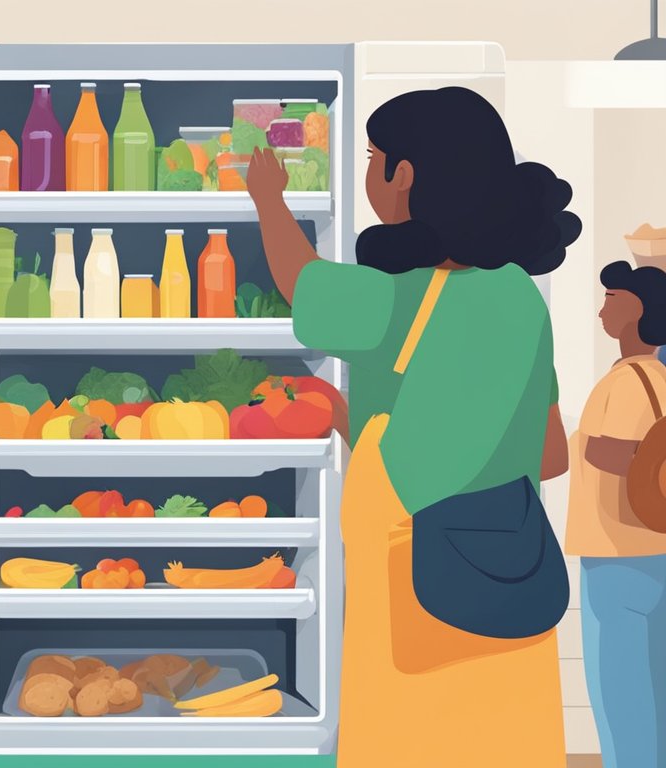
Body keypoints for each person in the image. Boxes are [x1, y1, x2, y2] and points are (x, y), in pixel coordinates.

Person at [247, 87, 578, 767]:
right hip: (512, 595)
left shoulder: (398, 297)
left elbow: (299, 281)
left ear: (407, 176)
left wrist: (268, 198)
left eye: (374, 158)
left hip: (413, 612)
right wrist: (351, 420)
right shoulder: (521, 298)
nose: (370, 174)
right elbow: (548, 454)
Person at [565, 260, 666, 768]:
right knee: (655, 688)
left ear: (637, 309)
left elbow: (611, 453)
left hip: (615, 555)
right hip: (658, 551)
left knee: (621, 694)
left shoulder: (624, 382)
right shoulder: (661, 378)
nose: (601, 307)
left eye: (611, 297)